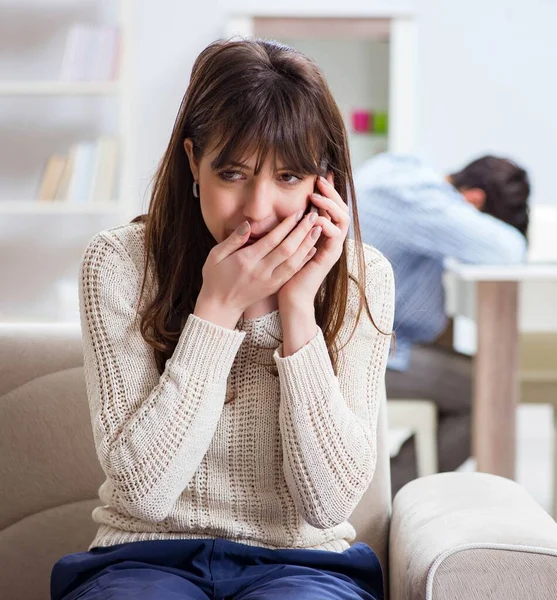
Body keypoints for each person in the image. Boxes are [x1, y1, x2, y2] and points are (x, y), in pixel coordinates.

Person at [50, 38, 395, 600]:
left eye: (288, 178)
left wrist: (298, 311)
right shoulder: (118, 263)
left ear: (321, 180)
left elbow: (327, 502)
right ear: (193, 161)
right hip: (143, 561)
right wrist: (218, 308)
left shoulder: (361, 277)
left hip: (302, 565)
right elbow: (144, 493)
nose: (258, 210)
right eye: (233, 174)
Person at [355, 153, 530, 496]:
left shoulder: (403, 168)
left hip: (358, 337)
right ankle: (385, 497)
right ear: (474, 200)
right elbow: (509, 250)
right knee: (487, 390)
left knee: (472, 372)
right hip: (364, 352)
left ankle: (387, 488)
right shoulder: (424, 203)